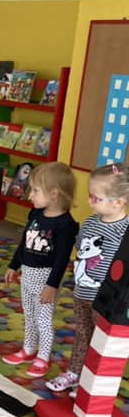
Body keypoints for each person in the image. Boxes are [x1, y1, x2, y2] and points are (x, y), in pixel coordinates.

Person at [47, 162, 129, 392]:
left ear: (118, 202)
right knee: (83, 335)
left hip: (106, 300)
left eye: (95, 198)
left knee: (102, 341)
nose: (89, 201)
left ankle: (92, 384)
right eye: (89, 195)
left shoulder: (125, 230)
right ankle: (75, 372)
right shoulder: (91, 222)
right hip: (82, 292)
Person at [2, 162, 78, 379]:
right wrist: (14, 265)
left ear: (54, 193)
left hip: (46, 279)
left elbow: (62, 260)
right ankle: (28, 349)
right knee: (28, 315)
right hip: (27, 274)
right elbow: (25, 242)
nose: (30, 196)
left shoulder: (65, 225)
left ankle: (42, 357)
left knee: (43, 320)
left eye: (35, 191)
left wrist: (51, 286)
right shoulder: (35, 214)